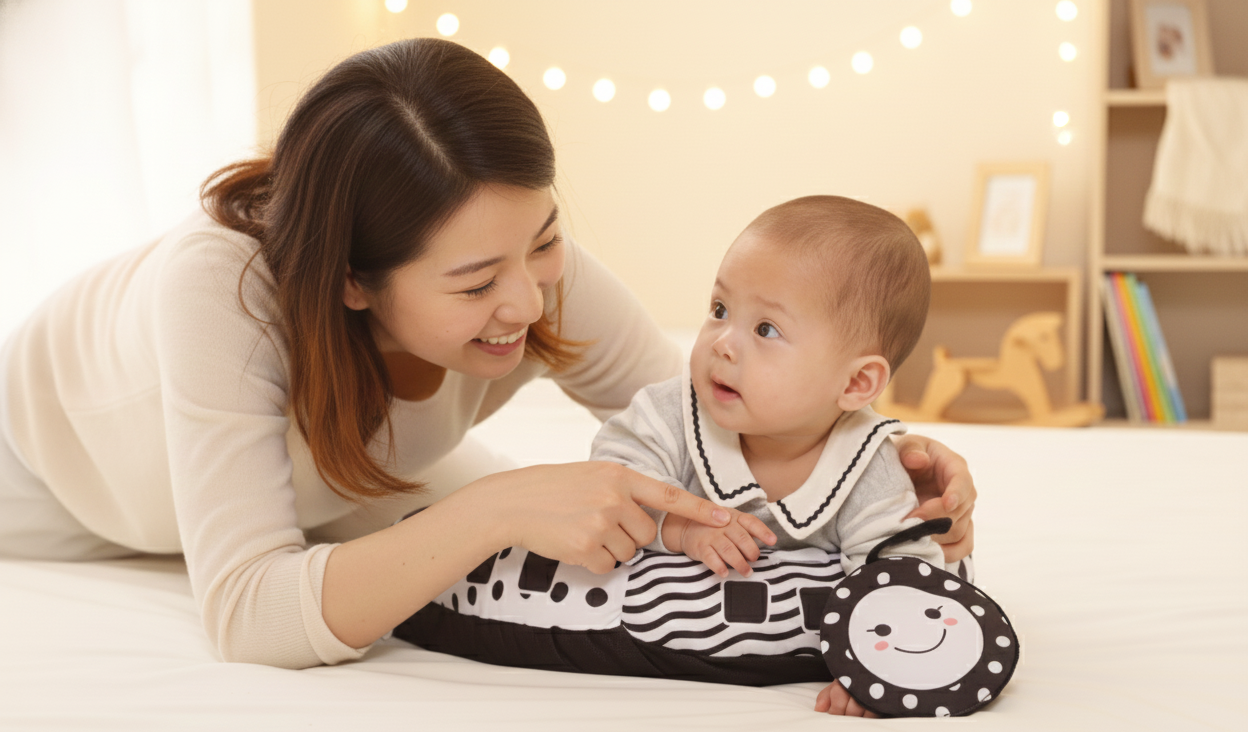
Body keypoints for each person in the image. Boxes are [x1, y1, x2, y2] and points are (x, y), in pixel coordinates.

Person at [0, 39, 975, 673]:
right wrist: (495, 506)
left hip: (333, 482)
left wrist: (867, 458)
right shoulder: (219, 294)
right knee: (500, 510)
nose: (527, 296)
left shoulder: (532, 269)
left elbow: (712, 425)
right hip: (52, 485)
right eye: (474, 284)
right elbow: (250, 612)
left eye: (544, 238)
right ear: (354, 280)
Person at [589, 195, 963, 717]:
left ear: (857, 382)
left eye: (766, 330)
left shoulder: (866, 466)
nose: (722, 342)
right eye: (719, 310)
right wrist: (681, 531)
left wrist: (875, 671)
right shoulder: (670, 413)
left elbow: (899, 571)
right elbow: (608, 489)